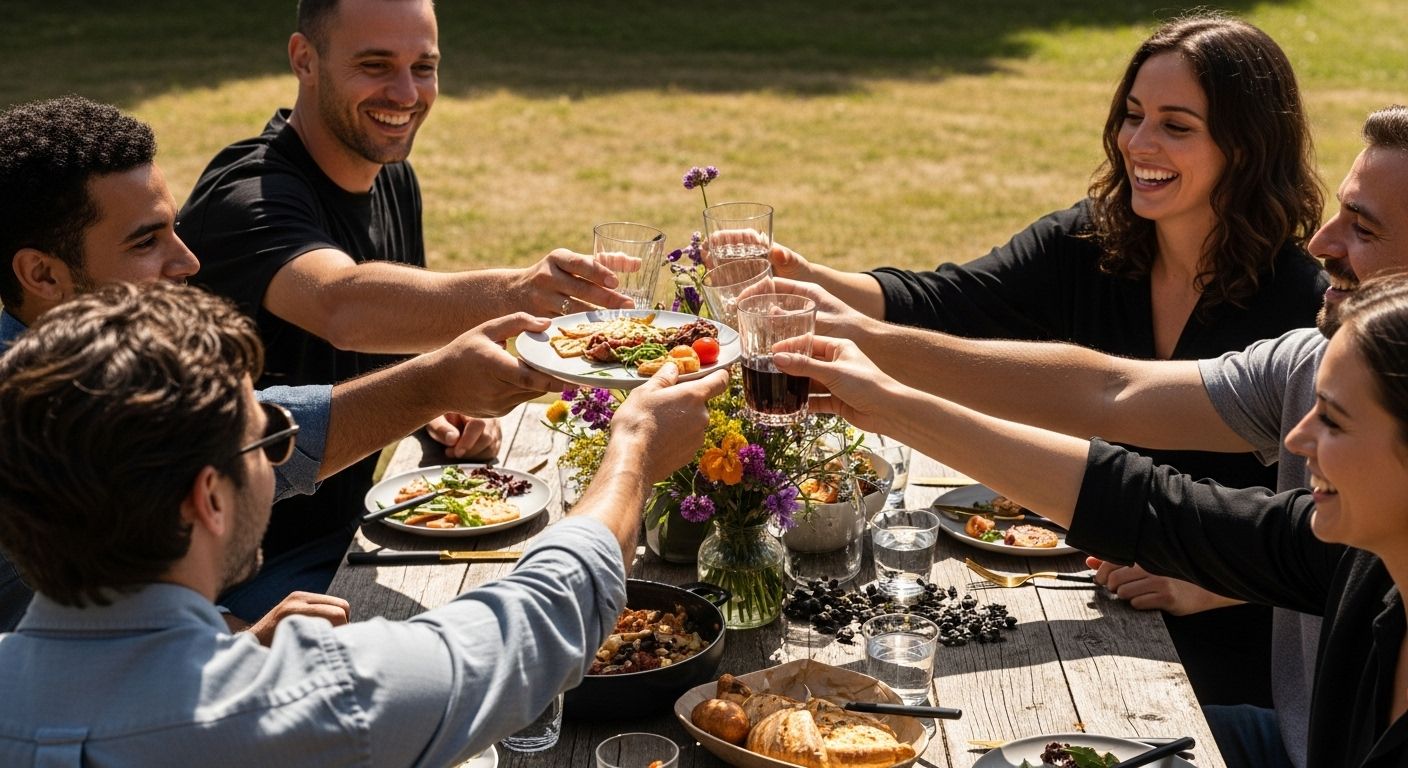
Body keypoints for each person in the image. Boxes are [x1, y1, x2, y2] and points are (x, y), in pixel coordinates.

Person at [770, 103, 1408, 768]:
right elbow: (1124, 432)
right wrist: (884, 390)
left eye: (1362, 227)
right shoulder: (1319, 382)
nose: (1321, 242)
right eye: (1133, 113)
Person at [0, 281, 728, 765]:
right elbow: (534, 628)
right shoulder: (319, 702)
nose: (282, 454)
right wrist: (632, 455)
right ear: (209, 500)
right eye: (270, 439)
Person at [0, 95, 563, 634]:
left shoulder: (100, 354)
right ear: (43, 275)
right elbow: (76, 653)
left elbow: (250, 428)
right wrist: (243, 646)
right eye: (146, 242)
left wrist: (433, 389)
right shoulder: (30, 415)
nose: (188, 261)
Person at [177, 0, 633, 617]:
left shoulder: (391, 176)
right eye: (375, 64)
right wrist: (517, 291)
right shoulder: (246, 195)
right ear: (304, 59)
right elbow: (342, 306)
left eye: (425, 66)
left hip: (364, 535)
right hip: (238, 582)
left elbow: (392, 334)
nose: (406, 92)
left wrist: (441, 409)